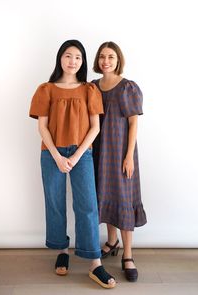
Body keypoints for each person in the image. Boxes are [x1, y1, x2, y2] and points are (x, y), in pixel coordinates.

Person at [29, 39, 116, 289]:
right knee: (55, 203)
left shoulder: (90, 89)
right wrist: (57, 155)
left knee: (87, 205)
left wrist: (76, 156)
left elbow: (95, 127)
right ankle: (62, 250)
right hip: (52, 153)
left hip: (82, 154)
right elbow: (42, 127)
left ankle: (95, 263)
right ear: (60, 58)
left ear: (82, 61)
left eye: (78, 57)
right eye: (68, 56)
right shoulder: (45, 89)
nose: (72, 61)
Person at [92, 41, 147, 282]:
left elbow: (134, 122)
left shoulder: (127, 87)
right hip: (98, 151)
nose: (106, 60)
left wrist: (128, 156)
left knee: (123, 199)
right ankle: (111, 241)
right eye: (102, 56)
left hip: (121, 152)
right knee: (105, 195)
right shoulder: (93, 87)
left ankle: (128, 254)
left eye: (111, 56)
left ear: (118, 60)